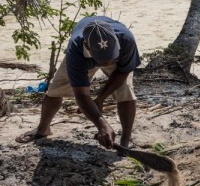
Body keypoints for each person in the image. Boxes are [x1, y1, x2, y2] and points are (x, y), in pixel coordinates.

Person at [16, 16, 141, 149]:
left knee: (125, 91)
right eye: (101, 58)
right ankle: (42, 129)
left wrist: (100, 98)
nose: (107, 62)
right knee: (55, 90)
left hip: (116, 54)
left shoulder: (126, 40)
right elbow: (81, 95)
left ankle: (125, 143)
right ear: (87, 45)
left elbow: (122, 71)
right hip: (81, 57)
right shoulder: (76, 49)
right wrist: (102, 125)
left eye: (110, 56)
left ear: (116, 42)